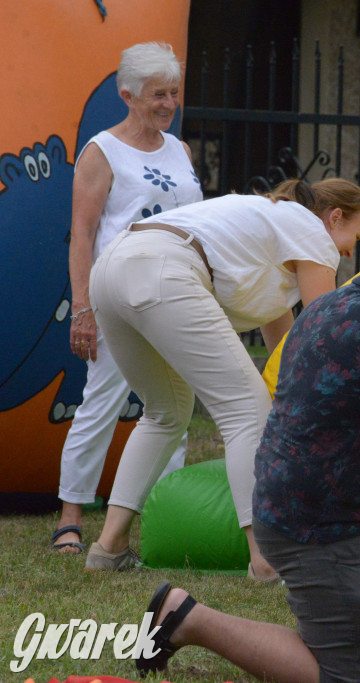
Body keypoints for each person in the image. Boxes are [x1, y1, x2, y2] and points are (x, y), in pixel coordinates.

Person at [132, 208, 360, 683]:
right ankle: (184, 618)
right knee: (343, 678)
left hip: (310, 501)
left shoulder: (325, 306)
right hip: (323, 523)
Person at [84, 176, 360, 582]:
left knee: (165, 412)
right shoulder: (311, 229)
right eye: (354, 236)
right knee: (247, 411)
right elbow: (321, 329)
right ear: (335, 218)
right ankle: (266, 560)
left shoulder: (273, 232)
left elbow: (288, 349)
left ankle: (108, 547)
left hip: (112, 269)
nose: (349, 250)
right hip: (163, 268)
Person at [53, 42, 202, 555]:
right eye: (157, 94)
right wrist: (83, 309)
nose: (168, 103)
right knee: (102, 401)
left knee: (174, 407)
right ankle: (70, 518)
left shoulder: (179, 150)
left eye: (174, 93)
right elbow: (82, 233)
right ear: (127, 95)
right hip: (119, 296)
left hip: (176, 295)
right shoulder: (102, 151)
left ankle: (166, 517)